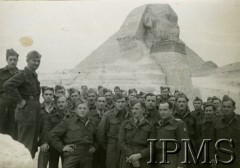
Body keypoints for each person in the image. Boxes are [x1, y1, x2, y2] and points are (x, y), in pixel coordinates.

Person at [4, 50, 42, 158]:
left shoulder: (33, 75)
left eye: (38, 61)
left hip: (33, 112)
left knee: (33, 144)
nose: (36, 63)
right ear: (27, 61)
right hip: (26, 113)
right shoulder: (23, 74)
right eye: (34, 60)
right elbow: (8, 85)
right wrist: (20, 101)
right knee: (25, 144)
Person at [49, 102, 98, 168]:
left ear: (88, 110)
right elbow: (52, 134)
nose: (82, 110)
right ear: (75, 110)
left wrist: (95, 146)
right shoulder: (68, 122)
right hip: (72, 153)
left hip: (87, 154)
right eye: (80, 108)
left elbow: (98, 137)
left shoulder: (92, 123)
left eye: (84, 108)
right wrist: (62, 147)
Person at [98, 94, 132, 168]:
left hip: (127, 146)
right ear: (114, 102)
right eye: (118, 101)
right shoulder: (107, 115)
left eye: (122, 102)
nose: (120, 104)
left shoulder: (130, 115)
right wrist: (107, 147)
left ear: (126, 102)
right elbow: (101, 134)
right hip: (113, 146)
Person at [118, 100, 155, 168]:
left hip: (143, 159)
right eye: (132, 109)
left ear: (143, 110)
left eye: (137, 109)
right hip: (127, 158)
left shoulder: (150, 125)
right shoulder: (125, 124)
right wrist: (132, 157)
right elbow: (121, 142)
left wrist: (139, 155)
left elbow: (152, 145)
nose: (134, 111)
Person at [39, 96, 73, 168]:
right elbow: (47, 129)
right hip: (54, 144)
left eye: (63, 102)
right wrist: (45, 142)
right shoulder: (51, 115)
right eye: (59, 102)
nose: (61, 104)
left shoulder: (72, 115)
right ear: (56, 104)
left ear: (67, 103)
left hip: (67, 143)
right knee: (53, 164)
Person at [155, 101, 188, 168]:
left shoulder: (179, 124)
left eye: (165, 110)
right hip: (157, 159)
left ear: (171, 110)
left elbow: (184, 145)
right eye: (160, 110)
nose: (162, 112)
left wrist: (181, 165)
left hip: (171, 158)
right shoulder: (158, 123)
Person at [213, 95, 240, 168]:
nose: (226, 109)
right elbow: (213, 141)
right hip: (221, 160)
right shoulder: (216, 122)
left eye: (229, 107)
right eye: (224, 107)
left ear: (234, 108)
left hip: (237, 161)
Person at [0, 48, 19, 140]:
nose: (13, 62)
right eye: (10, 59)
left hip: (16, 107)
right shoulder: (1, 73)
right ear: (6, 60)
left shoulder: (21, 74)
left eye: (15, 60)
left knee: (14, 132)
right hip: (2, 107)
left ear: (17, 60)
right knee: (2, 132)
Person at [38, 86, 56, 168]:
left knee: (54, 165)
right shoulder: (38, 108)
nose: (48, 96)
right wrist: (43, 141)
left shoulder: (57, 109)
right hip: (43, 142)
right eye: (46, 94)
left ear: (53, 96)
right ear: (42, 96)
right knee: (42, 165)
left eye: (50, 94)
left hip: (55, 143)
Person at [88, 96, 108, 168]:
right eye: (99, 101)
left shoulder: (109, 114)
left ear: (106, 103)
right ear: (96, 103)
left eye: (103, 101)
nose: (101, 103)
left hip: (105, 147)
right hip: (93, 147)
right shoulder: (89, 114)